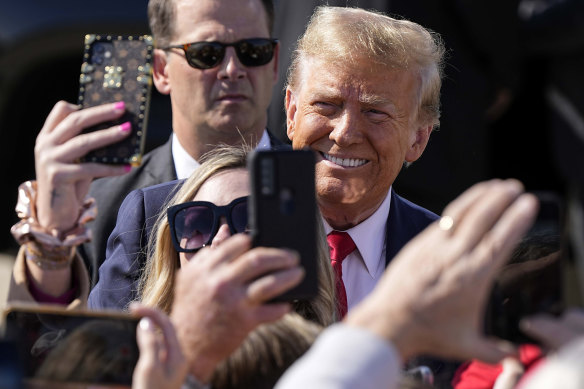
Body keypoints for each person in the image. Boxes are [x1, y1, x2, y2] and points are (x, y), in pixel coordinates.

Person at [90, 5, 445, 317]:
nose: (344, 133)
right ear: (291, 113)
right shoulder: (177, 224)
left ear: (419, 138)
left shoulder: (448, 259)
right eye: (326, 105)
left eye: (375, 112)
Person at [76, 0, 283, 285]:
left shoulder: (320, 189)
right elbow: (57, 330)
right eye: (206, 53)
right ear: (161, 70)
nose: (232, 69)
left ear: (273, 62)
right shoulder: (101, 209)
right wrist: (49, 241)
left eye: (253, 51)